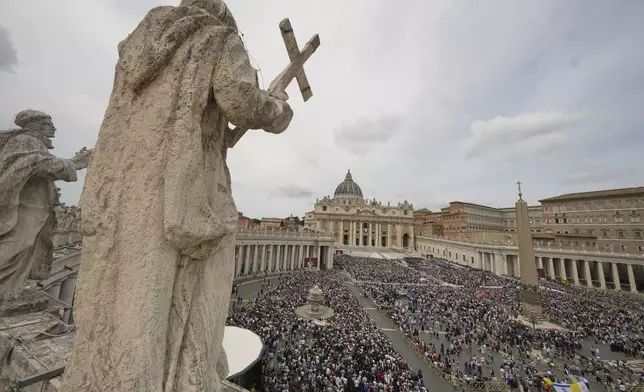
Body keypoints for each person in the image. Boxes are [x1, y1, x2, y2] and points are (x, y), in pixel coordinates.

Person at [61, 1, 293, 391]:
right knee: (197, 288)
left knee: (129, 288)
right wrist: (279, 107)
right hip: (189, 182)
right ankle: (184, 378)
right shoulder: (218, 38)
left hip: (129, 182)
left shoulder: (142, 42)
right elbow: (240, 101)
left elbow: (211, 121)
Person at [0, 110, 90, 300]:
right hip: (22, 212)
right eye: (50, 124)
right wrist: (74, 163)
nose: (54, 128)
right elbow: (37, 164)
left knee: (20, 250)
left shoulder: (34, 143)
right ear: (37, 126)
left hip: (29, 212)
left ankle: (8, 291)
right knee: (13, 251)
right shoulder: (25, 140)